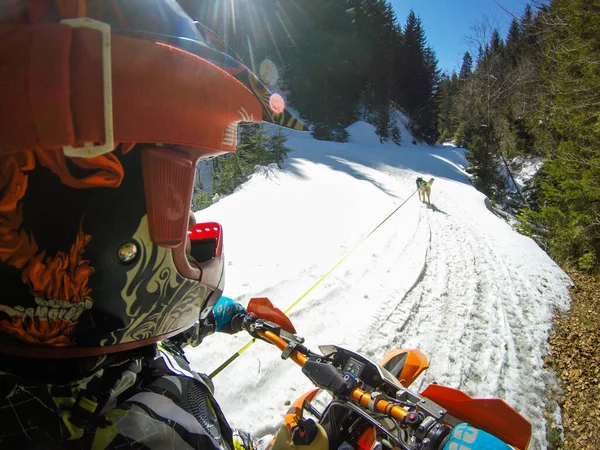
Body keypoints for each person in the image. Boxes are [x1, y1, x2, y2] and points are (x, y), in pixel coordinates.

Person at [0, 1, 304, 448]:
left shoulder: (73, 367)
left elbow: (124, 325)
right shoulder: (139, 437)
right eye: (179, 196)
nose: (193, 219)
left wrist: (218, 314)